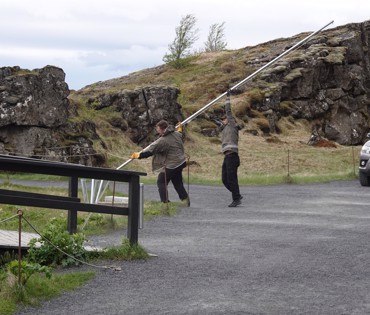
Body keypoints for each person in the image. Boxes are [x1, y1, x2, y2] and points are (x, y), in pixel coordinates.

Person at [131, 120, 190, 206]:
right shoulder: (177, 134)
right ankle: (185, 200)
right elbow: (180, 135)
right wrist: (180, 130)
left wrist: (138, 155)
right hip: (180, 162)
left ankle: (165, 203)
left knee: (161, 182)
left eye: (157, 128)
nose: (156, 130)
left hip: (172, 165)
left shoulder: (163, 140)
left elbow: (150, 152)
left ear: (162, 129)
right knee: (178, 183)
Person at [220, 90, 242, 207]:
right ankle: (237, 194)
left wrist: (227, 98)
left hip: (232, 156)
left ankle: (236, 198)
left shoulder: (232, 125)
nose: (223, 120)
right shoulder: (224, 129)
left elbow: (228, 111)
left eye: (224, 119)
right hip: (227, 156)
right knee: (224, 179)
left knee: (232, 179)